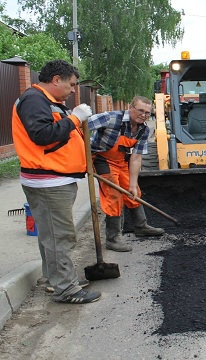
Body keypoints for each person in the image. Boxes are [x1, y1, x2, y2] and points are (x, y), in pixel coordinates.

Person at [12, 59, 101, 304]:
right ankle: (66, 289)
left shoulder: (49, 102)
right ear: (56, 80)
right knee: (60, 236)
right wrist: (74, 118)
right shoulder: (34, 100)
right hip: (47, 181)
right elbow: (42, 136)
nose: (73, 90)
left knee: (52, 234)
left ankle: (56, 279)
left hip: (55, 179)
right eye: (71, 85)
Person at [87, 96, 164, 252]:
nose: (143, 115)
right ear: (131, 108)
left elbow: (136, 157)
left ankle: (141, 226)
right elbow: (82, 125)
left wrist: (133, 184)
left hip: (122, 160)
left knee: (133, 192)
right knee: (113, 195)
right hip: (102, 160)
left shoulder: (143, 129)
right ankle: (113, 239)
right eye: (140, 110)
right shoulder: (111, 118)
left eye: (147, 113)